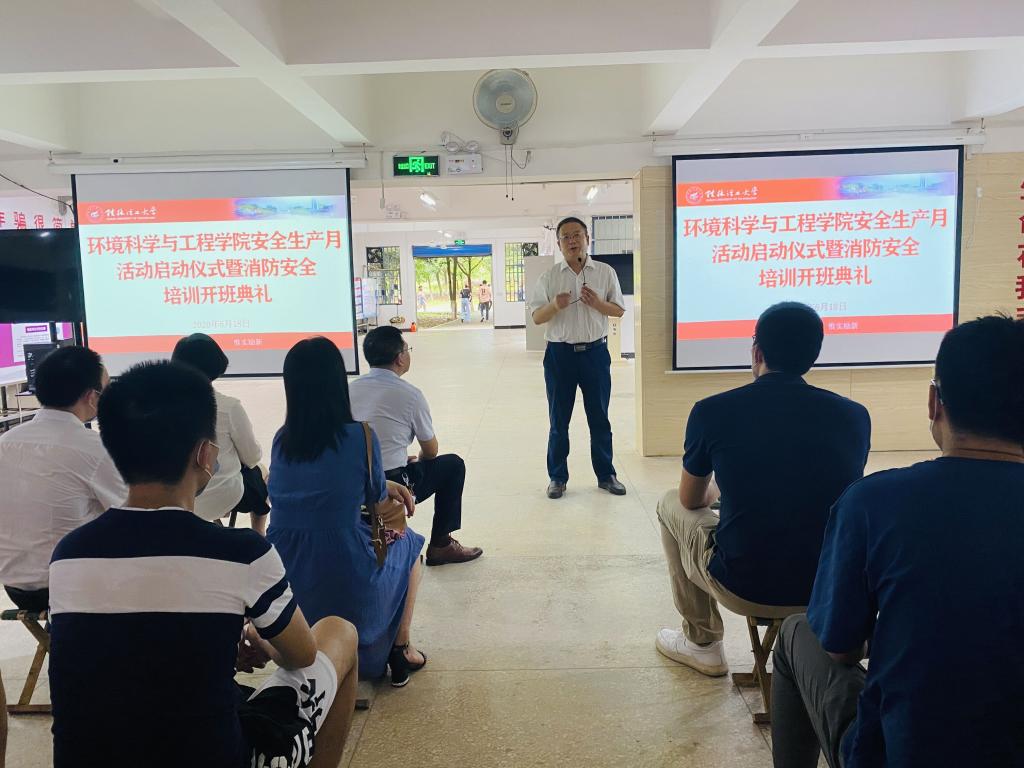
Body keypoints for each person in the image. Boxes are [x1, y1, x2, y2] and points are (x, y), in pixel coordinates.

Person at [48, 360, 358, 767]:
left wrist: (220, 644)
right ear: (205, 454)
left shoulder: (69, 555)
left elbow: (123, 652)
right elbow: (300, 655)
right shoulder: (242, 553)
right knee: (338, 633)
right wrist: (260, 640)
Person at [771, 315, 1024, 768]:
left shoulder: (874, 502)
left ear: (934, 402)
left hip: (897, 753)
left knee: (795, 633)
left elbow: (840, 647)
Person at [655, 303, 870, 677]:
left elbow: (691, 498)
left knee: (669, 502)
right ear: (813, 355)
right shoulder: (854, 416)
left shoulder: (712, 411)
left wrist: (717, 490)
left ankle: (702, 643)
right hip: (825, 586)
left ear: (757, 352)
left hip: (743, 584)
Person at [267, 337, 429, 687]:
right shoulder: (360, 437)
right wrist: (388, 486)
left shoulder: (282, 440)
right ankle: (400, 648)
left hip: (285, 567)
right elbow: (374, 495)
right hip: (343, 559)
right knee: (411, 546)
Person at [0, 346, 126, 611]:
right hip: (72, 585)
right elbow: (129, 510)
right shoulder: (94, 447)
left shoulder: (6, 442)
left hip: (14, 585)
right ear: (91, 397)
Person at [350, 326, 483, 566]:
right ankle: (441, 545)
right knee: (453, 465)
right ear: (400, 358)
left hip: (352, 482)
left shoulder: (349, 390)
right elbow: (431, 451)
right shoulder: (410, 395)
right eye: (407, 349)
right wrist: (415, 460)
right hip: (391, 483)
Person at [528, 216, 626, 499]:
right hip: (560, 356)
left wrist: (598, 304)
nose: (572, 241)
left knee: (600, 418)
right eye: (566, 237)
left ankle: (606, 475)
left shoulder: (605, 272)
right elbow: (537, 317)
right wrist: (554, 306)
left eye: (577, 235)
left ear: (587, 238)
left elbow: (618, 310)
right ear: (559, 244)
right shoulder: (549, 277)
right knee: (559, 421)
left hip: (595, 354)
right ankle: (557, 478)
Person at [171, 333, 267, 533]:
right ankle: (259, 535)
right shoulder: (228, 407)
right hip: (223, 496)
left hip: (176, 500)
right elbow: (252, 457)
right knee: (260, 472)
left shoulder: (161, 407)